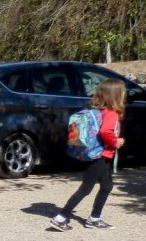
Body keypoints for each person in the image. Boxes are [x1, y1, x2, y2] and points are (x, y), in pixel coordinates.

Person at [50, 78, 126, 231]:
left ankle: (94, 218)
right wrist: (116, 142)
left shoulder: (99, 110)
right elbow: (106, 131)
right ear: (116, 95)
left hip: (99, 154)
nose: (124, 93)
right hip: (100, 155)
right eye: (122, 91)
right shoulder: (112, 113)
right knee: (86, 188)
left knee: (107, 185)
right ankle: (61, 217)